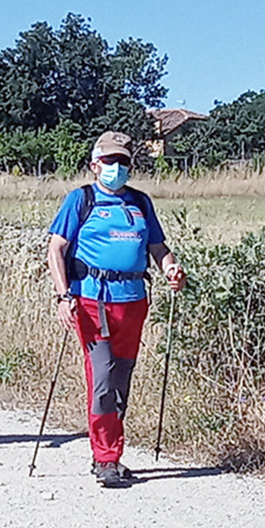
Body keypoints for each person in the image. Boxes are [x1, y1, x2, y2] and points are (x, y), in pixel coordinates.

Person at [45, 132, 187, 489]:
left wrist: (171, 269)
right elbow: (56, 250)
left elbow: (158, 246)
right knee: (103, 379)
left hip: (134, 300)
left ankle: (109, 453)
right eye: (110, 161)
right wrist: (64, 296)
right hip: (94, 303)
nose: (117, 168)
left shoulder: (140, 202)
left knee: (121, 379)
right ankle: (105, 458)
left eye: (123, 161)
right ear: (95, 165)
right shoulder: (81, 200)